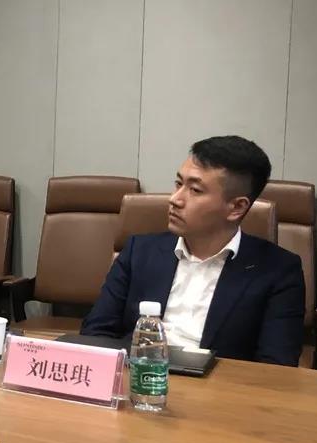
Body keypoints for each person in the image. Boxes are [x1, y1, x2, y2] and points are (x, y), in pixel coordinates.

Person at [81, 135, 304, 365]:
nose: (175, 199)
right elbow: (96, 332)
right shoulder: (140, 251)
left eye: (195, 190)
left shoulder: (278, 271)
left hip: (220, 385)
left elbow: (275, 367)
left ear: (236, 207)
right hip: (139, 377)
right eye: (179, 184)